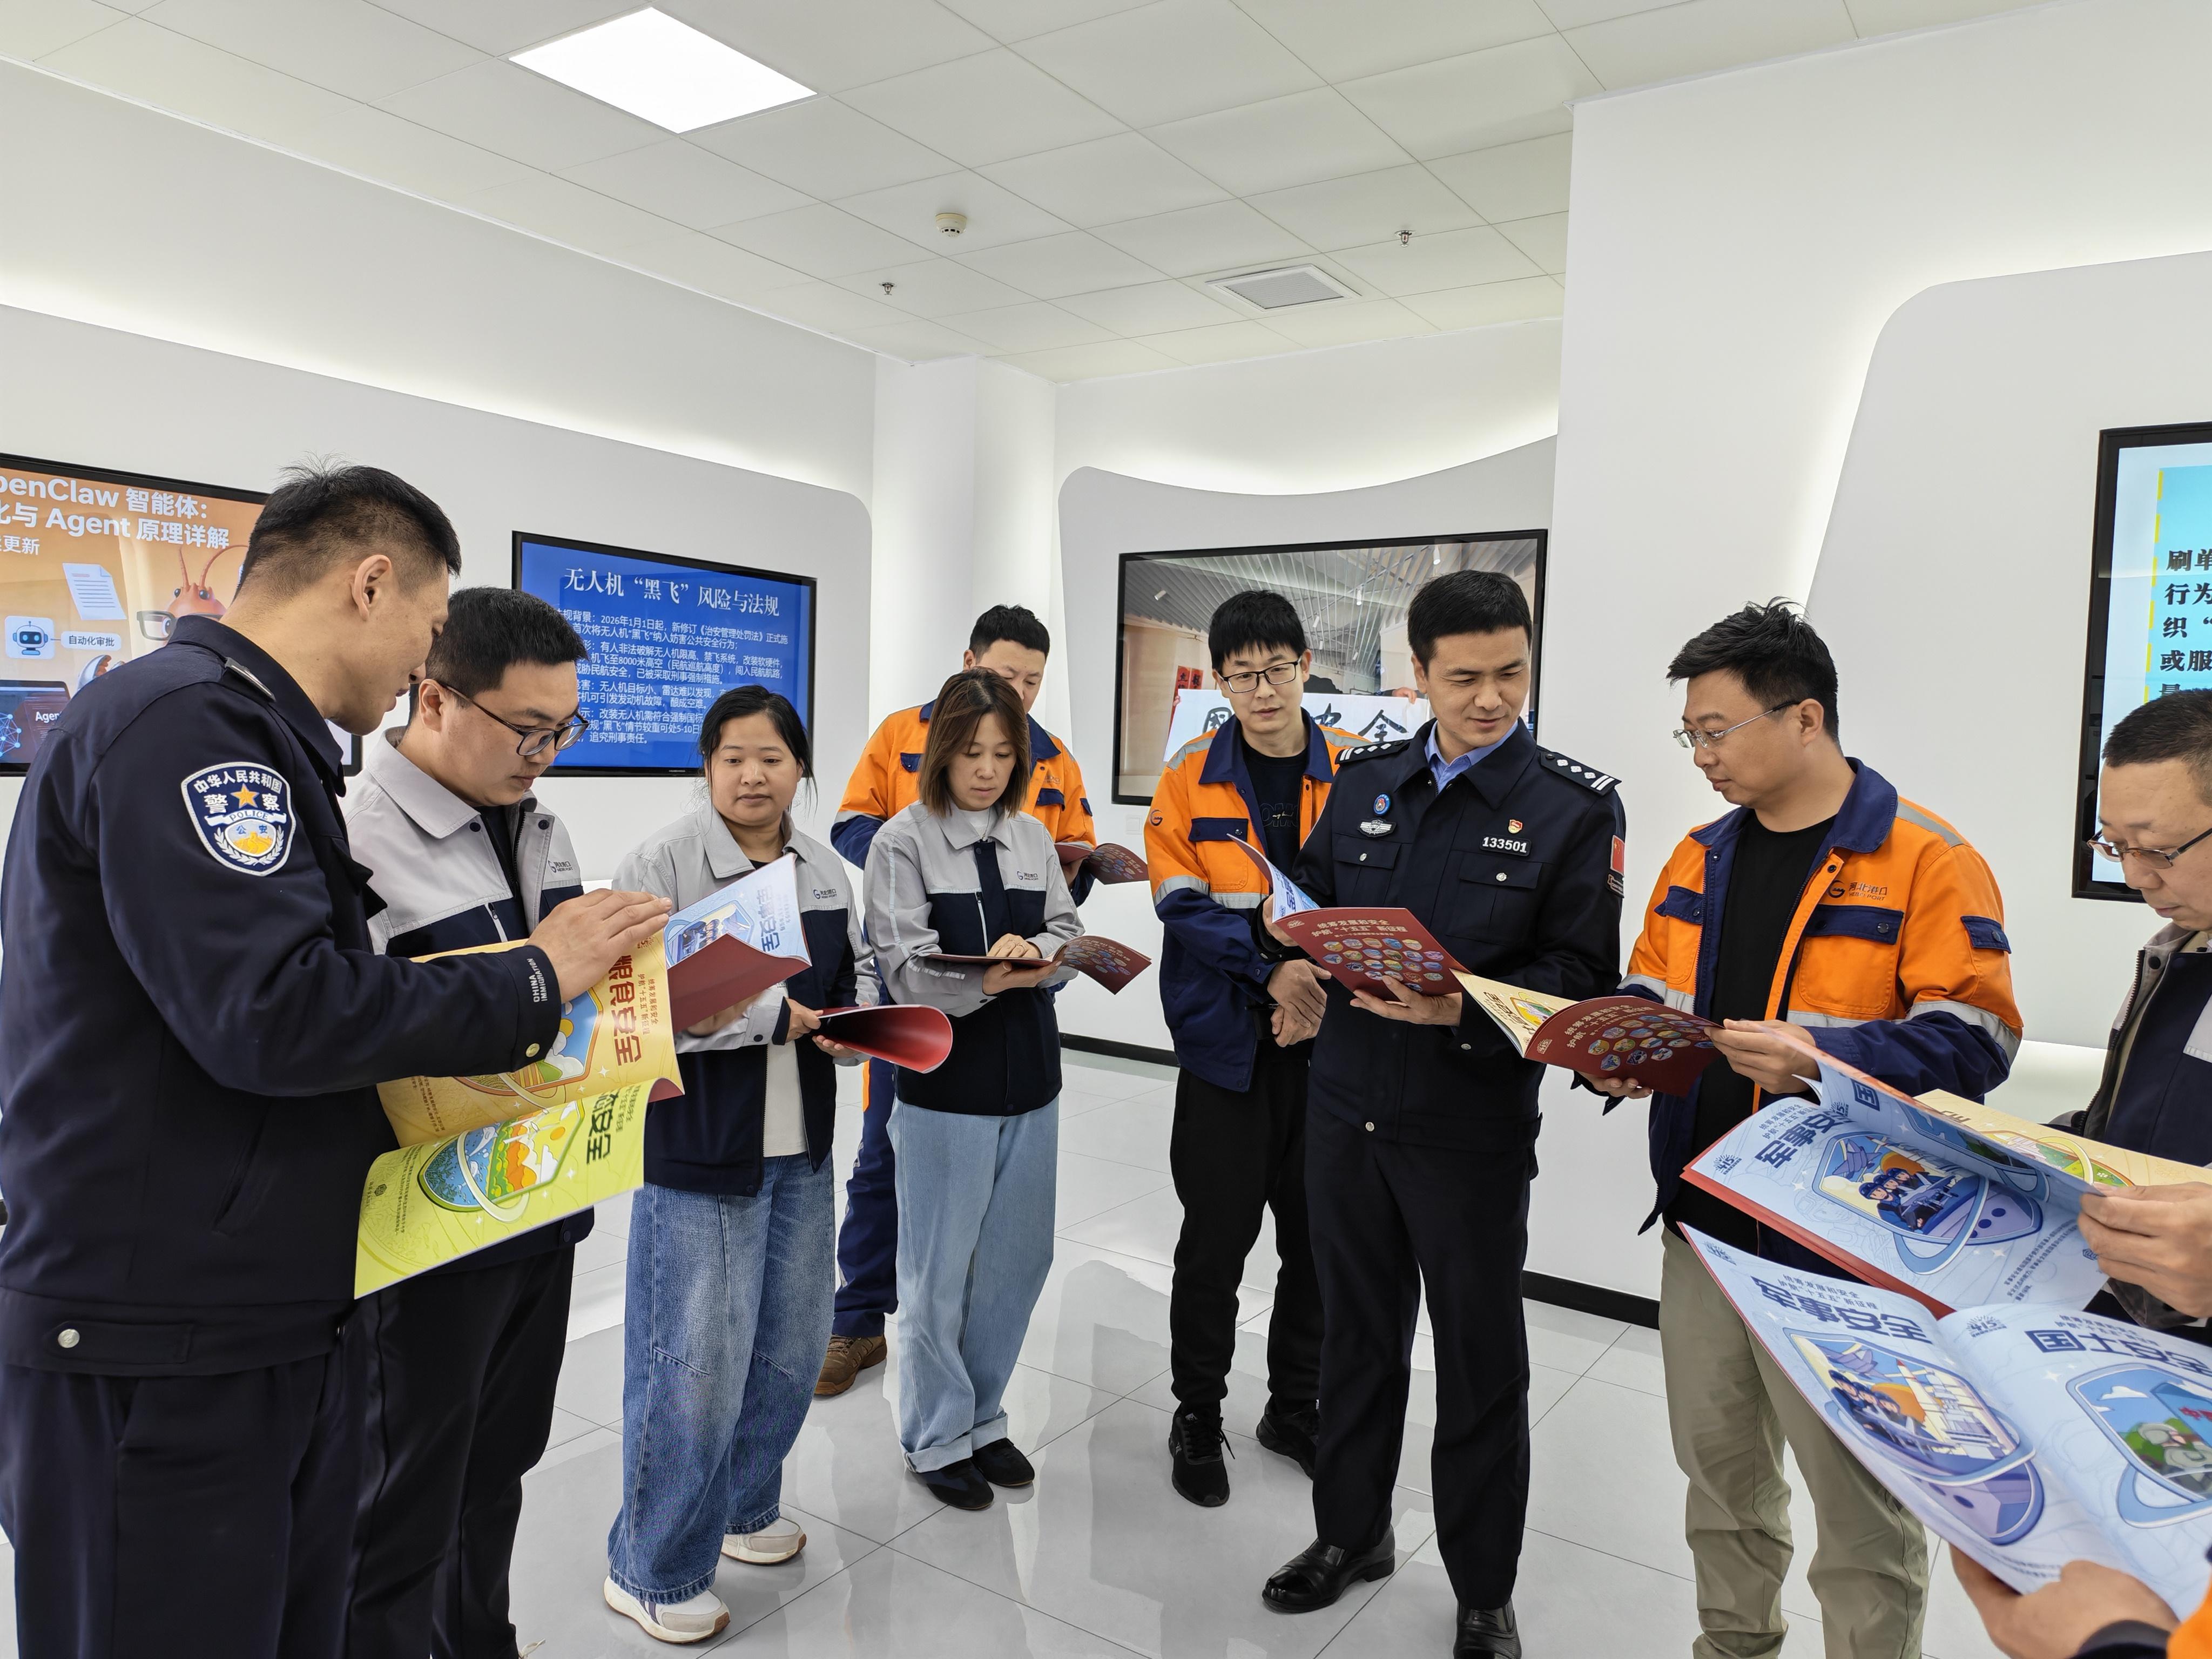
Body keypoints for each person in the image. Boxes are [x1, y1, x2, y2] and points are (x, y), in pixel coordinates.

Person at [0, 463, 667, 1659]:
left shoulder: (260, 734)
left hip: (263, 1302)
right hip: (162, 1323)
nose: (420, 660)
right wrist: (535, 977)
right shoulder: (189, 728)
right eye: (426, 623)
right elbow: (272, 1011)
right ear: (370, 584)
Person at [1587, 600, 2022, 1659]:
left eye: (1715, 731)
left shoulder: (1927, 858)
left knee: (1860, 1521)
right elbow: (1654, 982)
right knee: (1720, 1480)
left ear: (1805, 719)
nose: (1700, 756)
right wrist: (1620, 1040)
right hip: (1703, 1224)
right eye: (1689, 735)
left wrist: (1821, 1058)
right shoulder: (1699, 855)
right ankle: (1731, 1646)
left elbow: (1978, 1041)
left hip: (1843, 1250)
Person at [1260, 569, 1627, 1659]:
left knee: (1479, 1362)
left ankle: (1481, 1588)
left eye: (1510, 672)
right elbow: (1314, 897)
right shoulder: (1366, 780)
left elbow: (1578, 975)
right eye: (1463, 677)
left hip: (1467, 1126)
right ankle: (1349, 1534)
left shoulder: (1572, 807)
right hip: (1346, 1110)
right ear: (1414, 674)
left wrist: (1461, 1005)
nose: (1490, 698)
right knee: (1355, 1340)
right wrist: (1290, 944)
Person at [341, 587, 596, 1659]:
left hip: (541, 1199)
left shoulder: (542, 825)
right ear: (435, 698)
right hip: (428, 1233)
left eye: (564, 729)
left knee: (500, 1467)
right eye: (527, 729)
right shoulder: (355, 838)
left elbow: (567, 1009)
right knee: (402, 1498)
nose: (546, 755)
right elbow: (349, 1034)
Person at [601, 686, 869, 1644]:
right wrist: (767, 1018)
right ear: (707, 767)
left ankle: (746, 1508)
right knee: (692, 1366)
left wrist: (856, 1026)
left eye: (772, 758)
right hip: (701, 1151)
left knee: (789, 1349)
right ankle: (651, 1566)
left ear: (801, 768)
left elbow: (852, 980)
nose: (753, 776)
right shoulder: (662, 864)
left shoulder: (825, 870)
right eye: (733, 759)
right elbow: (632, 1010)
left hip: (802, 1149)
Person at [818, 604, 1096, 1399]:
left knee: (1008, 1228)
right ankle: (859, 1322)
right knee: (886, 1163)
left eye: (1033, 681)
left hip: (1017, 1011)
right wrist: (931, 857)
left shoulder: (1054, 760)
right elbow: (852, 826)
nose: (1020, 692)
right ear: (969, 662)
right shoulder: (900, 737)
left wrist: (1050, 907)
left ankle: (978, 1395)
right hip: (924, 1008)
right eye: (1007, 674)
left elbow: (1067, 887)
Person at [1143, 589, 1358, 1506]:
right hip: (1226, 1050)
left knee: (1317, 1244)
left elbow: (1373, 906)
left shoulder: (1359, 773)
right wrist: (1272, 975)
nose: (1262, 690)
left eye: (1276, 670)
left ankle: (1294, 1406)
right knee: (1215, 1243)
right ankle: (1198, 1411)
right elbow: (1182, 906)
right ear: (1220, 681)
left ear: (1305, 666)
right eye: (1242, 675)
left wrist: (1316, 992)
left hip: (1331, 1054)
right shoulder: (1188, 777)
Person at [862, 668, 1081, 1510]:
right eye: (970, 752)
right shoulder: (902, 842)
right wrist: (991, 979)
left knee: (1019, 1260)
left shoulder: (1031, 837)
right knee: (938, 1269)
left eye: (1002, 753)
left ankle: (984, 1418)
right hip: (944, 1086)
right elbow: (904, 968)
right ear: (941, 753)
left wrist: (1047, 955)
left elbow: (1067, 930)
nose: (987, 769)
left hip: (1033, 1078)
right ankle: (936, 1434)